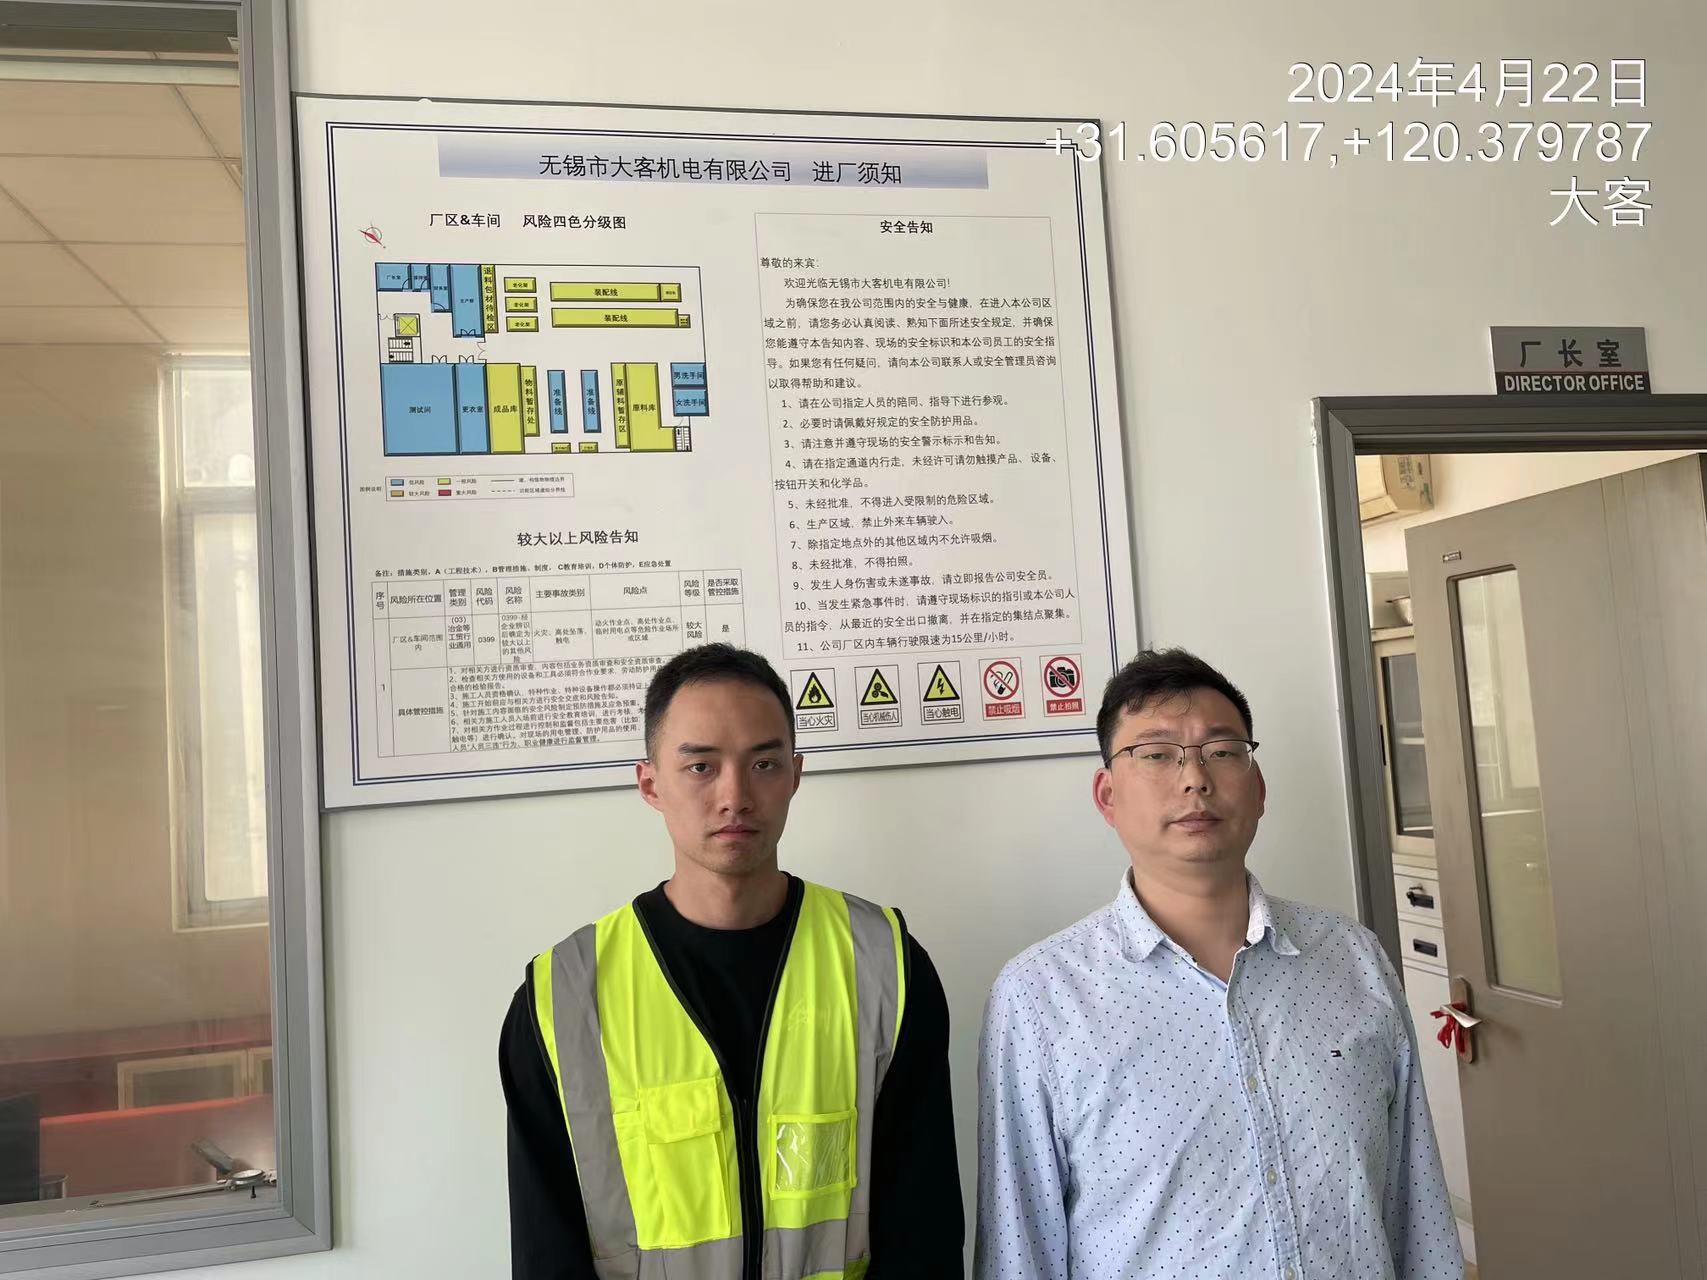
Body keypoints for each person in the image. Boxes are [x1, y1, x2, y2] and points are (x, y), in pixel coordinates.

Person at [976, 647, 1463, 1280]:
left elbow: (1415, 1206)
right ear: (1107, 795)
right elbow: (1020, 1247)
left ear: (1258, 789)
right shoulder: (1041, 996)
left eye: (1222, 751)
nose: (1194, 779)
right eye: (1156, 754)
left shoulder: (1352, 958)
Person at [501, 643, 962, 1280]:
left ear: (795, 774)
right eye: (700, 766)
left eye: (763, 763)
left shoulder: (885, 964)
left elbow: (924, 1228)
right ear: (650, 783)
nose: (735, 796)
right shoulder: (565, 997)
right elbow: (545, 1251)